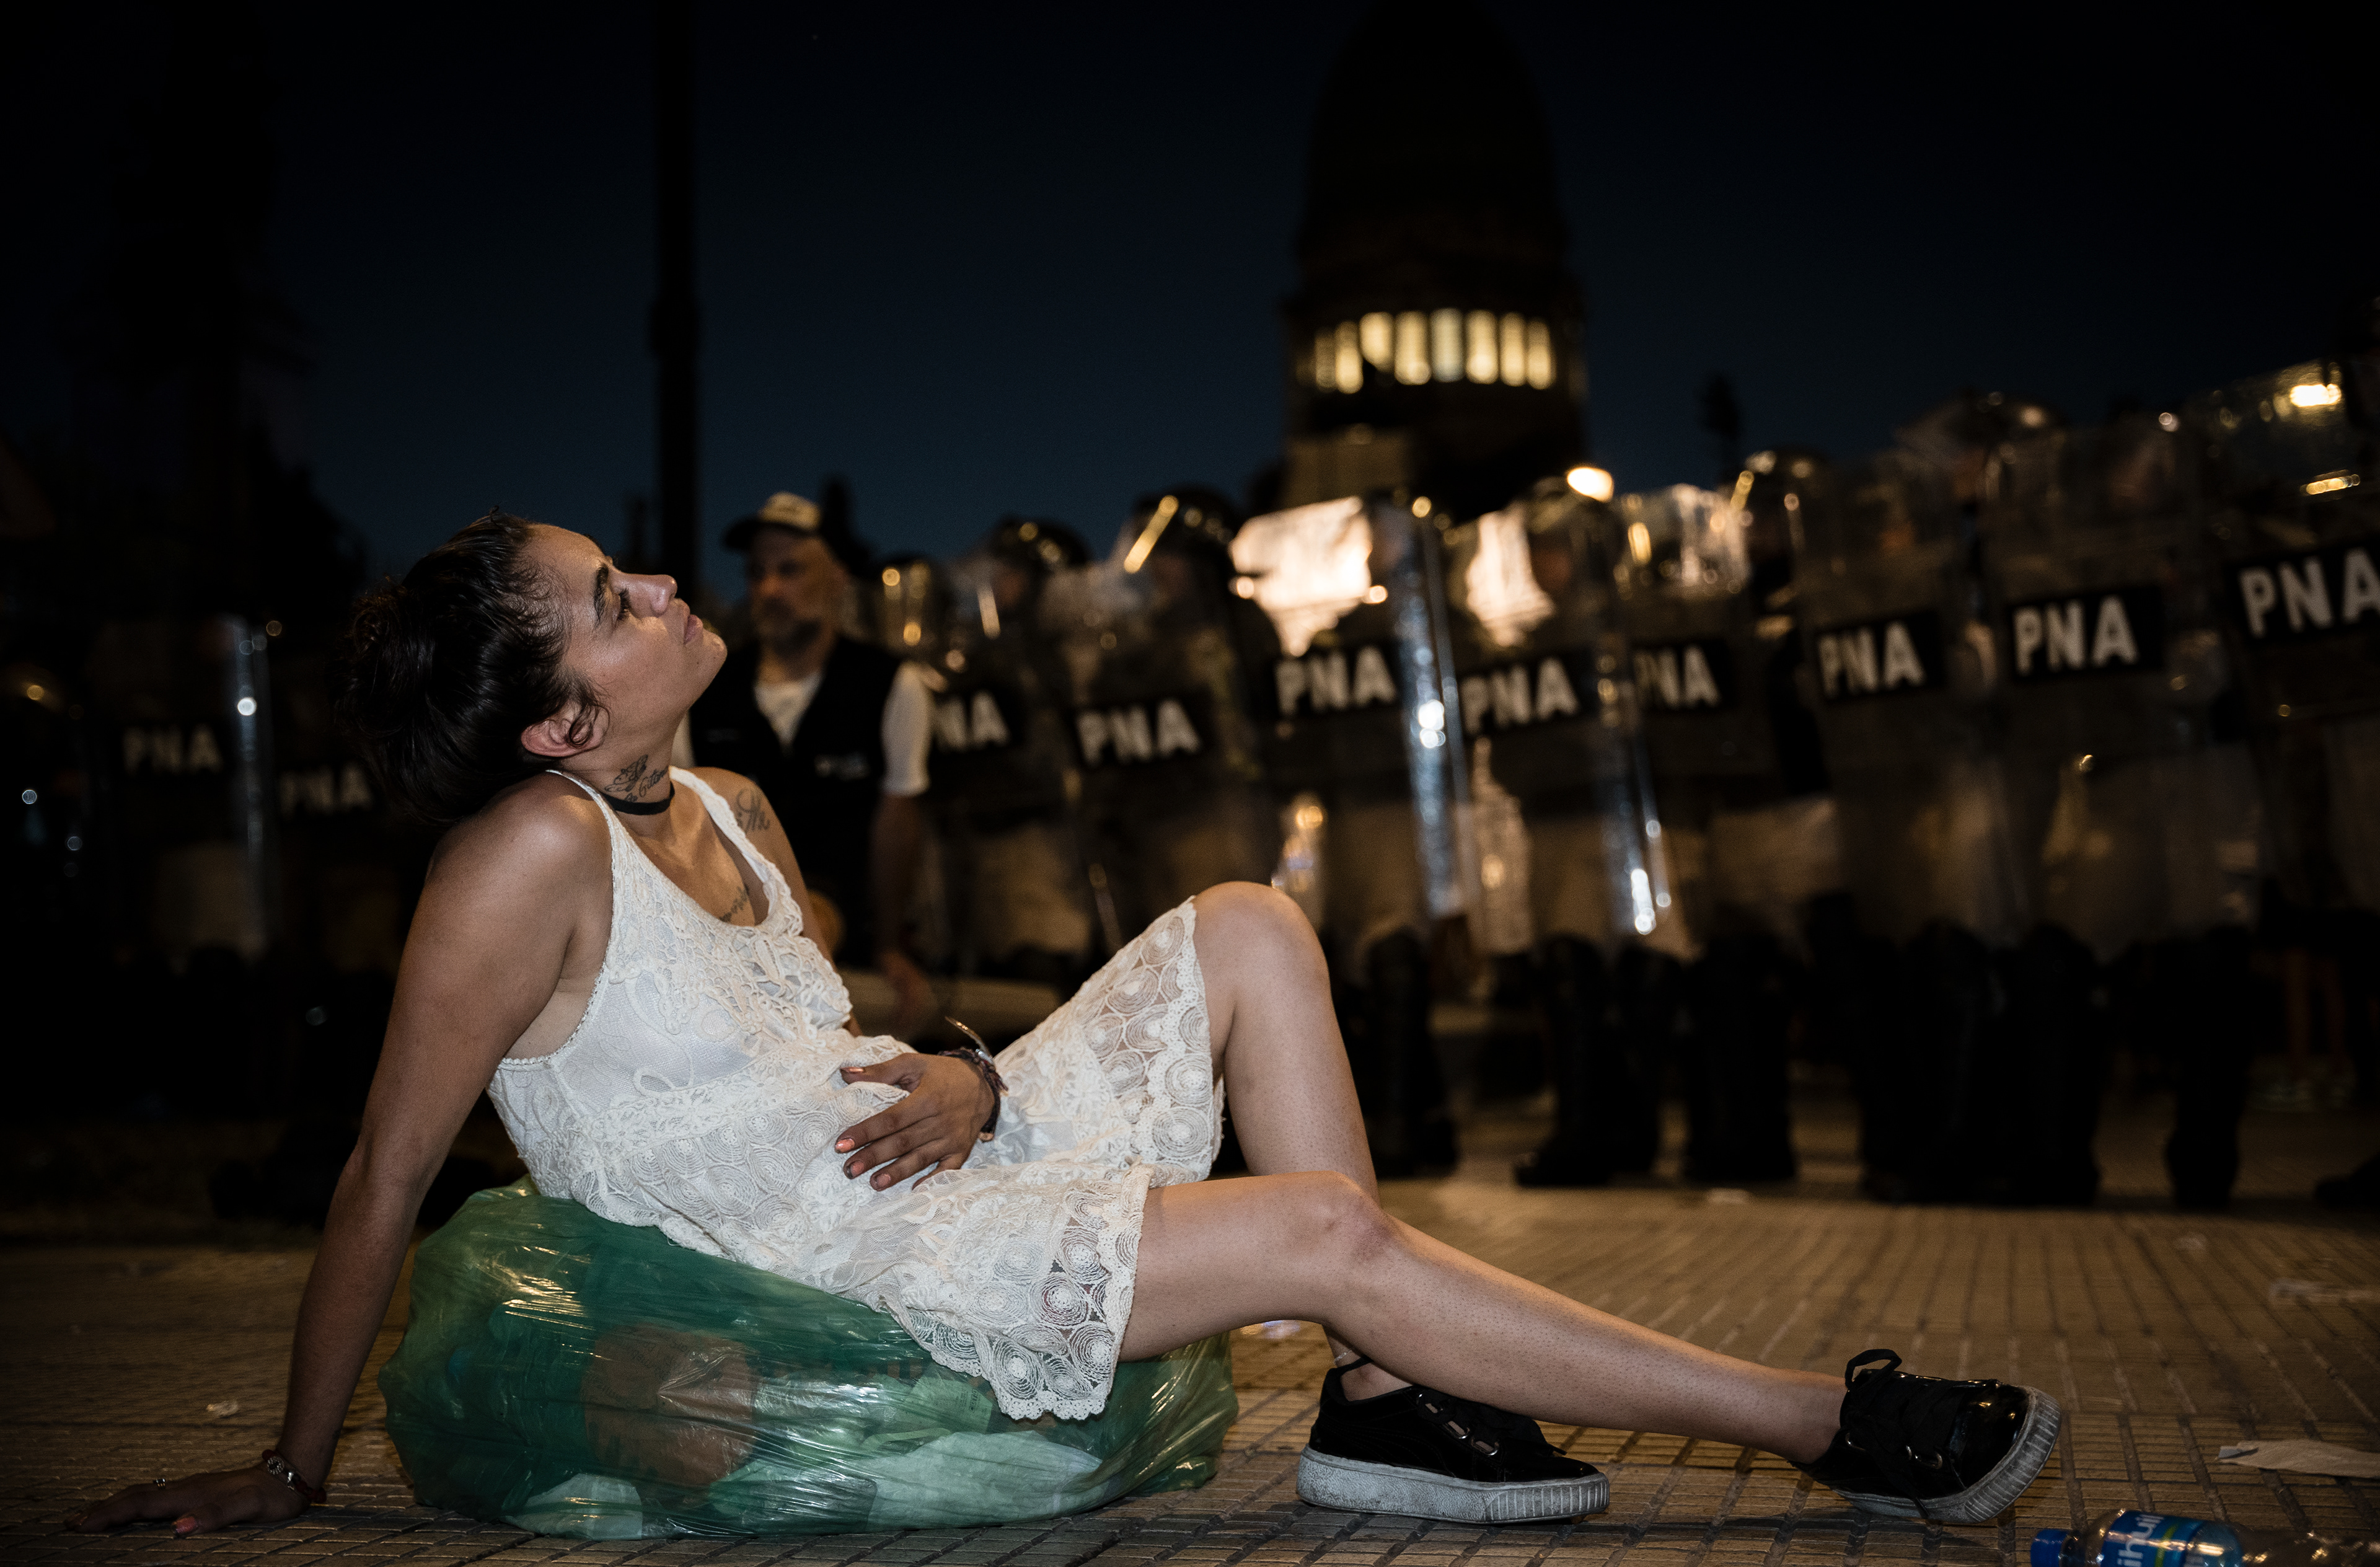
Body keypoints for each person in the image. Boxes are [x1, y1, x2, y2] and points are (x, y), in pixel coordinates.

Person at [71, 515, 2060, 1538]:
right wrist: (293, 1469)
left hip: (912, 1149)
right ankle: (1825, 1425)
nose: (663, 582)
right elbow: (384, 1172)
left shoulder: (734, 804)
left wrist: (970, 1070)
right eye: (613, 596)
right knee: (1323, 1228)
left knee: (1253, 922)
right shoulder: (522, 857)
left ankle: (1389, 1402)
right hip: (829, 1260)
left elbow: (826, 1029)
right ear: (562, 720)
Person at [677, 488, 934, 1033]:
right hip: (727, 912)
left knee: (809, 918)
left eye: (790, 570)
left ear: (838, 577)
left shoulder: (891, 684)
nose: (769, 589)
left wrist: (889, 945)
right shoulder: (704, 689)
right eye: (756, 573)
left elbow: (897, 823)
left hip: (842, 914)